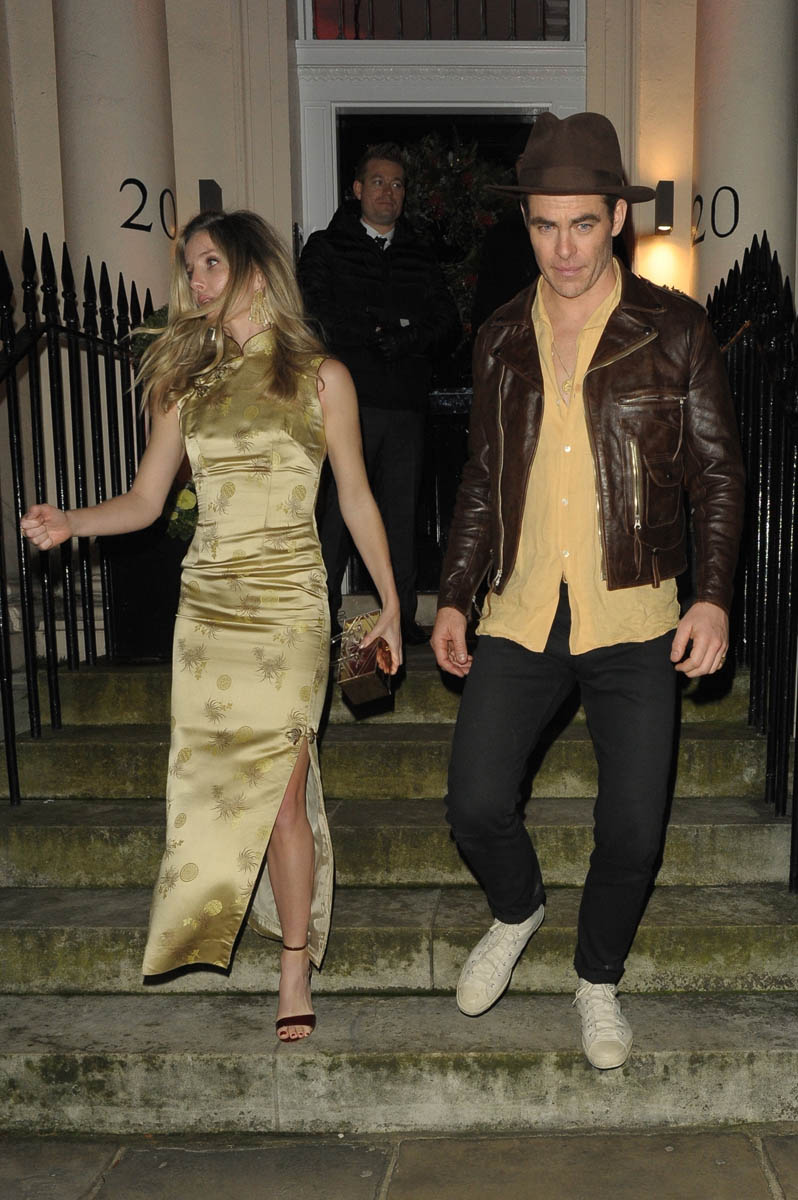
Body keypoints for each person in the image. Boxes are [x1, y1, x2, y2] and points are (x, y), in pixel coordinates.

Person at [21, 210, 402, 1042]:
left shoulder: (323, 378)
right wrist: (72, 523)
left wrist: (390, 603)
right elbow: (145, 501)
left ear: (255, 272)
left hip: (290, 606)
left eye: (210, 264)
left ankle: (294, 963)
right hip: (210, 610)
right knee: (206, 785)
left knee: (285, 794)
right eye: (189, 267)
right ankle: (219, 922)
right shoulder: (183, 386)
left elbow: (355, 496)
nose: (195, 281)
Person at [430, 112, 744, 1069]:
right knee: (474, 803)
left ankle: (597, 979)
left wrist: (713, 595)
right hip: (522, 607)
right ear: (526, 224)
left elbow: (718, 474)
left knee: (634, 829)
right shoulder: (500, 336)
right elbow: (483, 476)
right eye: (543, 225)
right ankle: (518, 909)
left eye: (580, 224)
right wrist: (453, 592)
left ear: (615, 219)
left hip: (635, 608)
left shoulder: (674, 329)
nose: (562, 248)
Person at [298, 142, 461, 644]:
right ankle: (318, 619)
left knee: (402, 517)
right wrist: (375, 331)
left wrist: (406, 338)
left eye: (397, 184)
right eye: (377, 181)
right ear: (356, 189)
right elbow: (313, 314)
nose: (388, 192)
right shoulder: (327, 247)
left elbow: (447, 322)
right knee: (335, 517)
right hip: (345, 405)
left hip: (405, 406)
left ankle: (402, 620)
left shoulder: (419, 252)